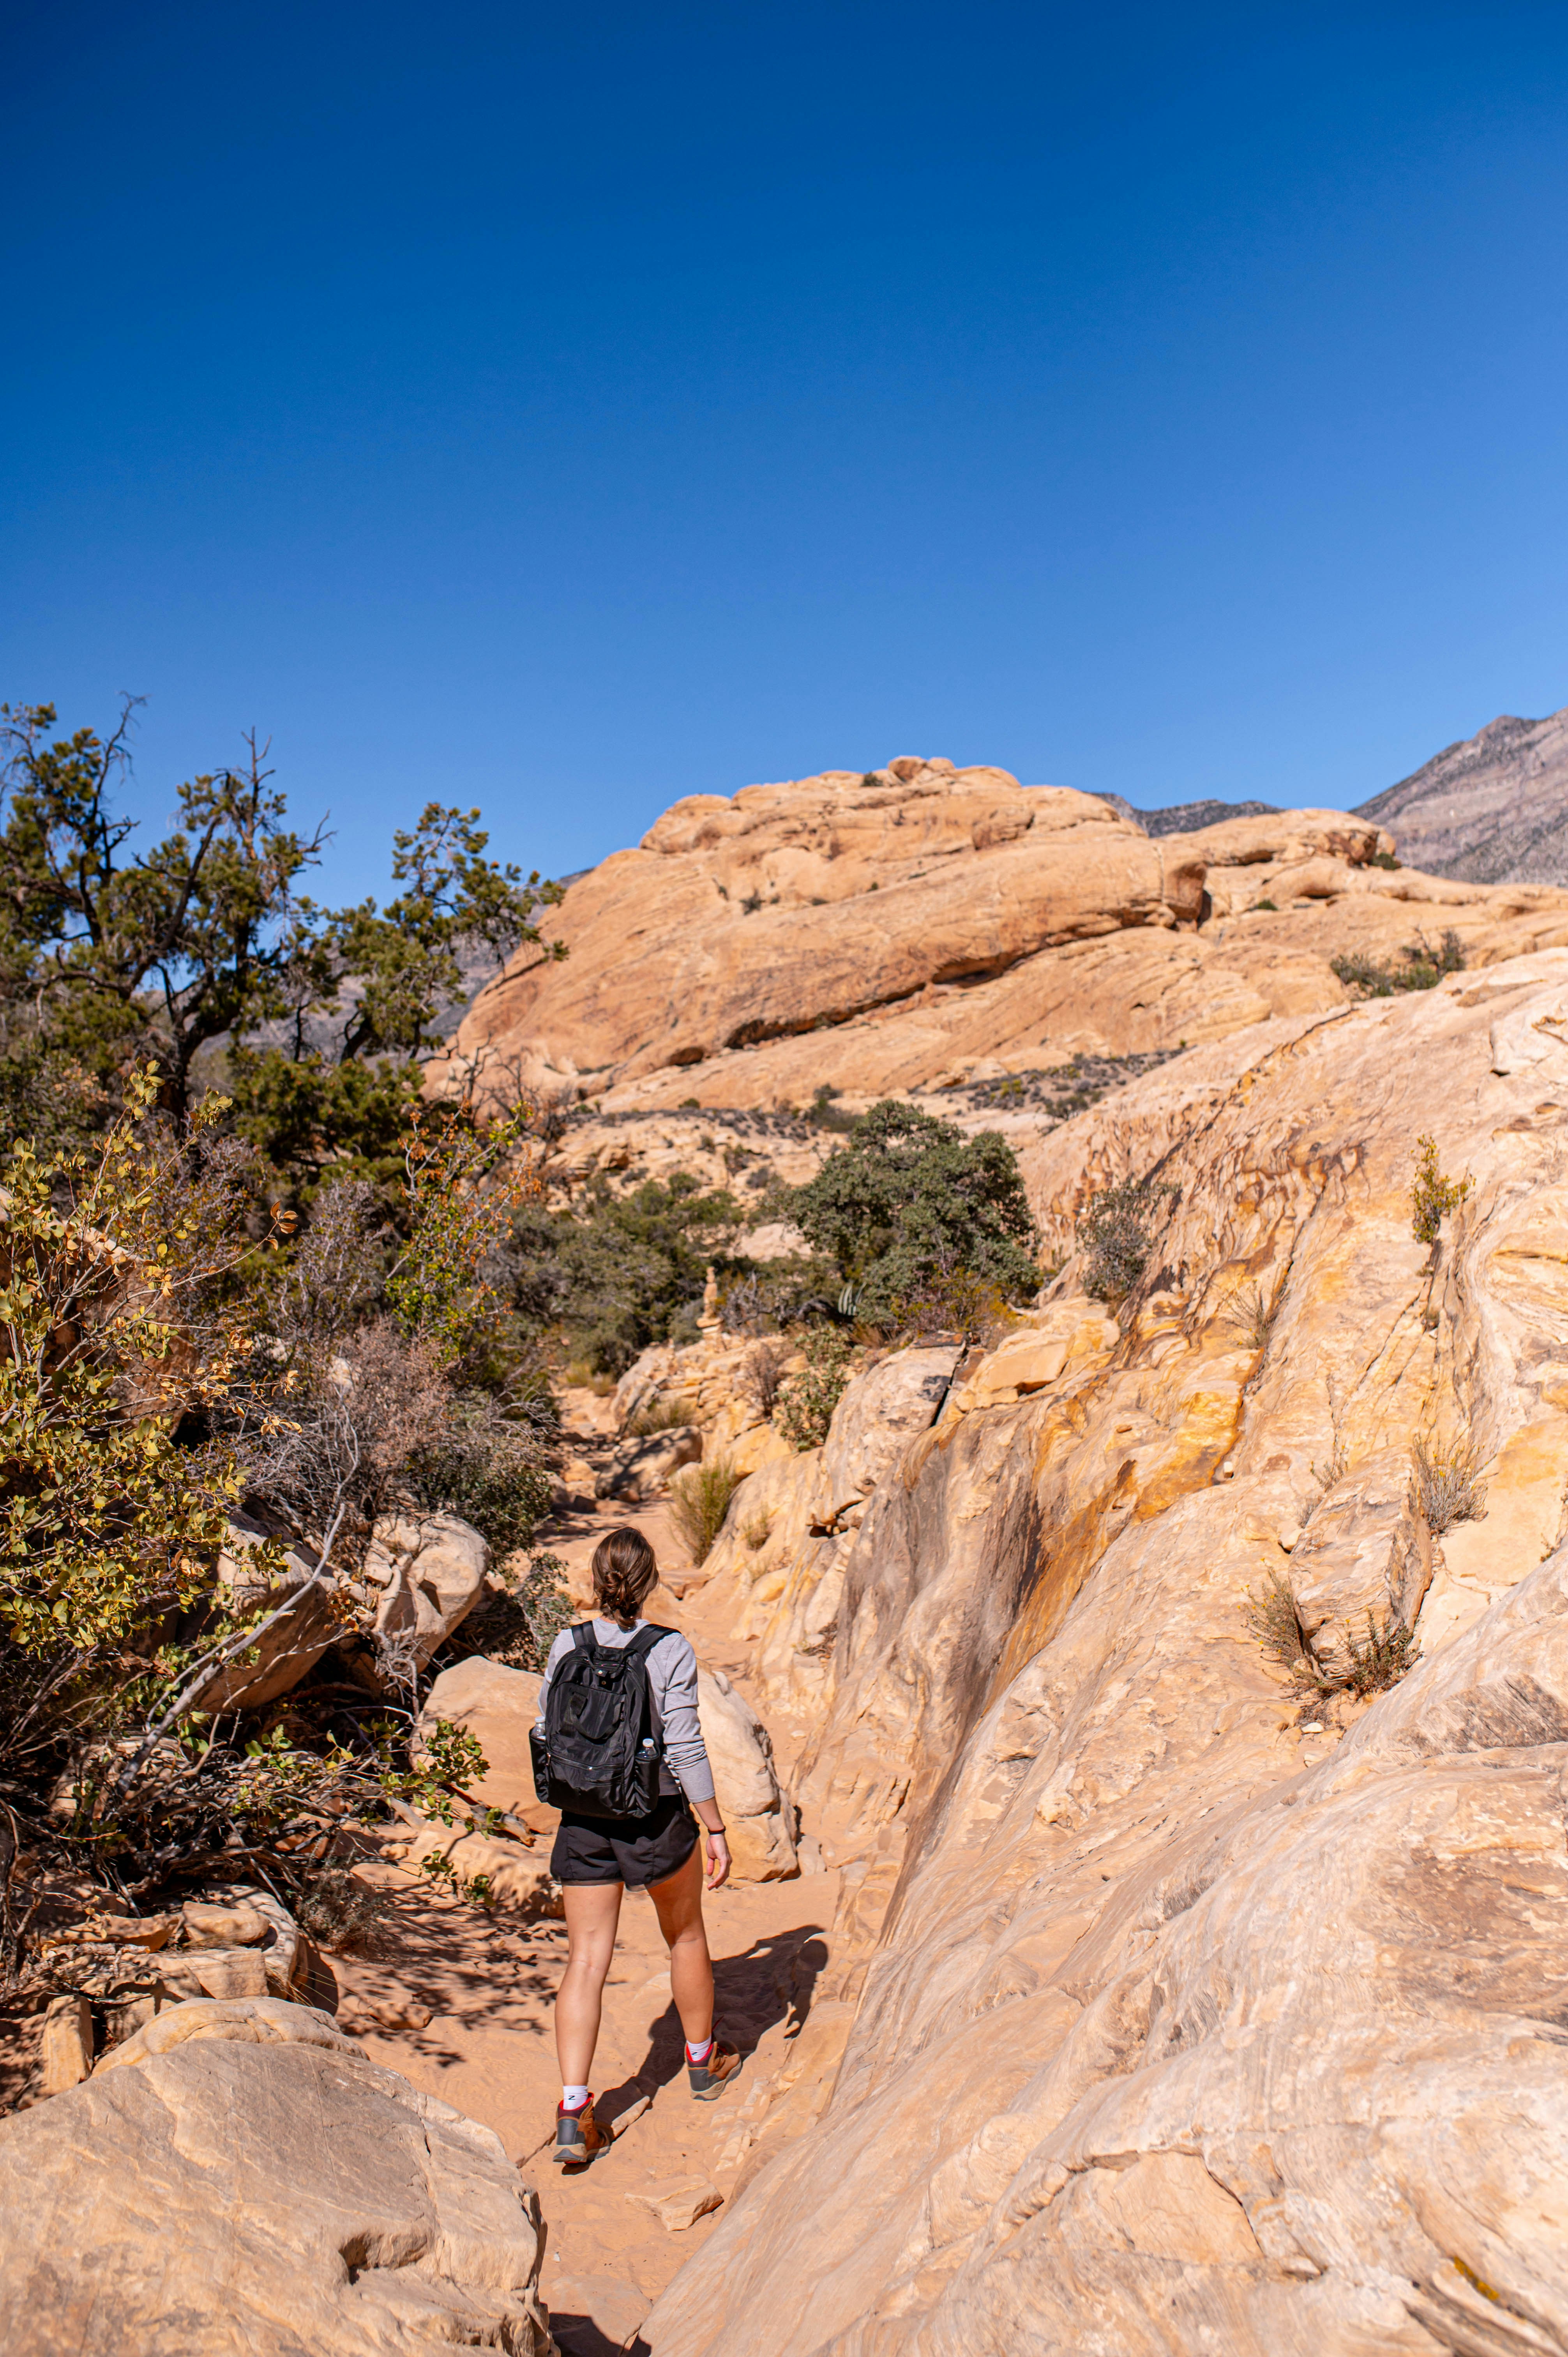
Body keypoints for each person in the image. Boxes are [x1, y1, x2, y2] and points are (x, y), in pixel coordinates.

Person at [537, 1525, 740, 2166]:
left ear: (597, 1581)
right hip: (653, 1819)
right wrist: (713, 1826)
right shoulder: (668, 1649)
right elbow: (682, 1745)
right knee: (684, 1936)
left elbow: (545, 1727)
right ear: (649, 1582)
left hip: (584, 1819)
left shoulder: (565, 1643)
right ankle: (703, 2065)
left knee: (585, 1962)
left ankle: (575, 2113)